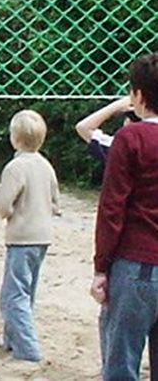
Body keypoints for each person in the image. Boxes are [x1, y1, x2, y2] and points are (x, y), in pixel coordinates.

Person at [91, 53, 158, 380]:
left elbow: (112, 208)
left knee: (121, 367)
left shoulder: (132, 138)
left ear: (139, 95)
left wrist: (101, 267)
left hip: (137, 264)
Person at [0, 110, 60, 363]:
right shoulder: (46, 165)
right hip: (43, 236)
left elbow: (3, 204)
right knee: (26, 290)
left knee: (13, 294)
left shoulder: (15, 167)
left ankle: (27, 349)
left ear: (15, 138)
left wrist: (9, 211)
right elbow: (56, 202)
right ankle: (12, 339)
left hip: (22, 236)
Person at [75, 96, 136, 166]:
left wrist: (119, 104)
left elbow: (83, 127)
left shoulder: (119, 147)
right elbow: (82, 127)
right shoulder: (118, 145)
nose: (129, 123)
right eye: (129, 118)